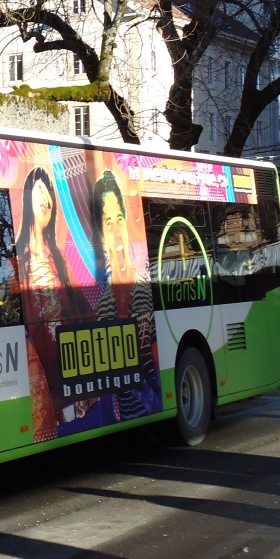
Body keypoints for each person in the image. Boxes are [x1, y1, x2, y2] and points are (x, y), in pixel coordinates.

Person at [13, 166, 89, 442]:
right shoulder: (17, 259)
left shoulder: (59, 257)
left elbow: (82, 308)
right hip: (42, 361)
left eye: (49, 193)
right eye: (40, 191)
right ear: (26, 199)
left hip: (68, 361)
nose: (47, 200)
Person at [91, 168, 159, 420]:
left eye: (119, 219)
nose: (117, 232)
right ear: (101, 235)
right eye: (108, 224)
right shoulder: (103, 307)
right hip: (127, 415)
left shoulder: (146, 288)